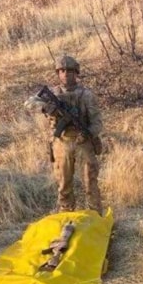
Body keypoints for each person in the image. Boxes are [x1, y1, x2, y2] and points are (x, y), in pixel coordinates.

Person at [27, 55, 104, 213]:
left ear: (76, 73)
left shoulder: (86, 95)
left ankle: (96, 217)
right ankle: (66, 215)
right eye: (62, 71)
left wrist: (88, 133)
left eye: (69, 70)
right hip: (61, 142)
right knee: (64, 184)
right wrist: (47, 108)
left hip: (83, 142)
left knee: (90, 182)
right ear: (58, 73)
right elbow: (29, 103)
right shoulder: (52, 94)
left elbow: (97, 122)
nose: (66, 74)